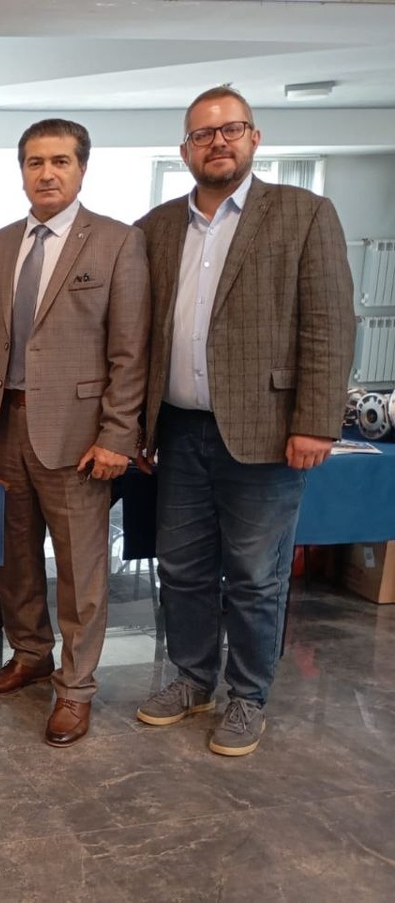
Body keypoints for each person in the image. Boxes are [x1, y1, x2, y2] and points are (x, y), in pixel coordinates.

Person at [134, 87, 355, 756]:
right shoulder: (156, 226)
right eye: (203, 134)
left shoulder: (303, 214)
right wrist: (138, 427)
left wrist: (316, 420)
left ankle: (248, 695)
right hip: (178, 430)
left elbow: (329, 324)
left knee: (256, 577)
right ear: (185, 150)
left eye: (231, 129)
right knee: (182, 568)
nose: (218, 142)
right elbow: (141, 335)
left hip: (268, 433)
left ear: (254, 138)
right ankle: (193, 678)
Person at [0, 119, 150, 747]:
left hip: (78, 435)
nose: (47, 173)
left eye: (60, 161)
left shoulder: (117, 242)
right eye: (35, 162)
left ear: (81, 169)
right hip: (4, 426)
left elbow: (130, 352)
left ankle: (76, 688)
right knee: (15, 557)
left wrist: (118, 436)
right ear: (21, 171)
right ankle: (31, 655)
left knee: (80, 568)